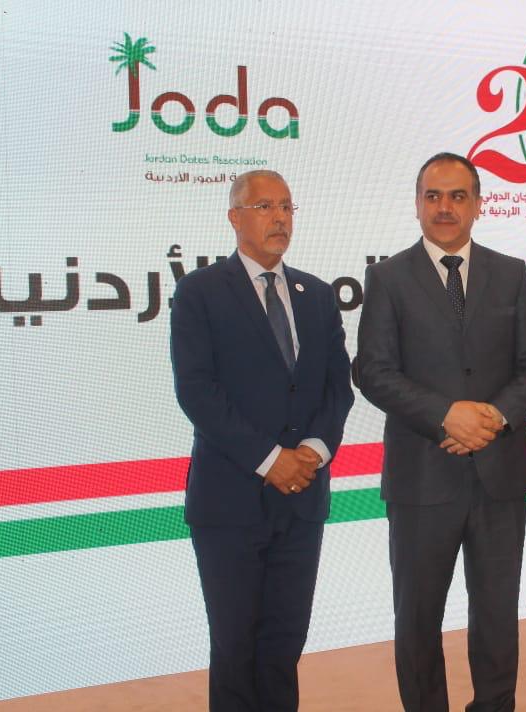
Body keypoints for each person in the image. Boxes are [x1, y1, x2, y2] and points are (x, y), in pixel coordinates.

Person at [356, 152, 526, 711]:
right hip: (422, 479)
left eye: (458, 196)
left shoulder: (510, 274)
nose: (445, 207)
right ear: (417, 204)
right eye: (433, 196)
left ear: (478, 205)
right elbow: (372, 371)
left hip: (500, 476)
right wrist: (446, 415)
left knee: (497, 614)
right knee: (418, 619)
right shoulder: (387, 278)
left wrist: (493, 417)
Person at [170, 169, 354, 711]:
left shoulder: (317, 296)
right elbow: (197, 391)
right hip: (229, 504)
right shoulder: (200, 292)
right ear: (235, 217)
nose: (279, 218)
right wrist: (270, 459)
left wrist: (314, 451)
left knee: (283, 646)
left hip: (302, 502)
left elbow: (337, 388)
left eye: (287, 207)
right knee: (235, 649)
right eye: (265, 206)